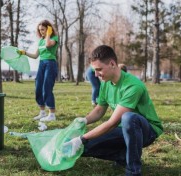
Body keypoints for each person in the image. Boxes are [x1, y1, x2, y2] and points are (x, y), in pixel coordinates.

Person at [63, 45, 163, 175]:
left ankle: (133, 171)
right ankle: (122, 156)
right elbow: (99, 110)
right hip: (124, 129)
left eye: (99, 69)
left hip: (146, 131)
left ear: (112, 64)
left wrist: (82, 138)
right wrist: (84, 120)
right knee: (83, 148)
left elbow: (112, 123)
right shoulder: (105, 82)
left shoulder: (133, 86)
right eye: (94, 70)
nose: (95, 74)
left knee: (129, 118)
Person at [18, 20, 59, 122]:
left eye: (43, 30)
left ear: (48, 29)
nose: (41, 32)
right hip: (42, 64)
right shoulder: (40, 41)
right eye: (40, 30)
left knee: (47, 87)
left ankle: (52, 114)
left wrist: (49, 34)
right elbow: (36, 55)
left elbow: (49, 45)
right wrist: (24, 53)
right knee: (38, 87)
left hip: (50, 64)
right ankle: (42, 112)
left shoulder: (54, 38)